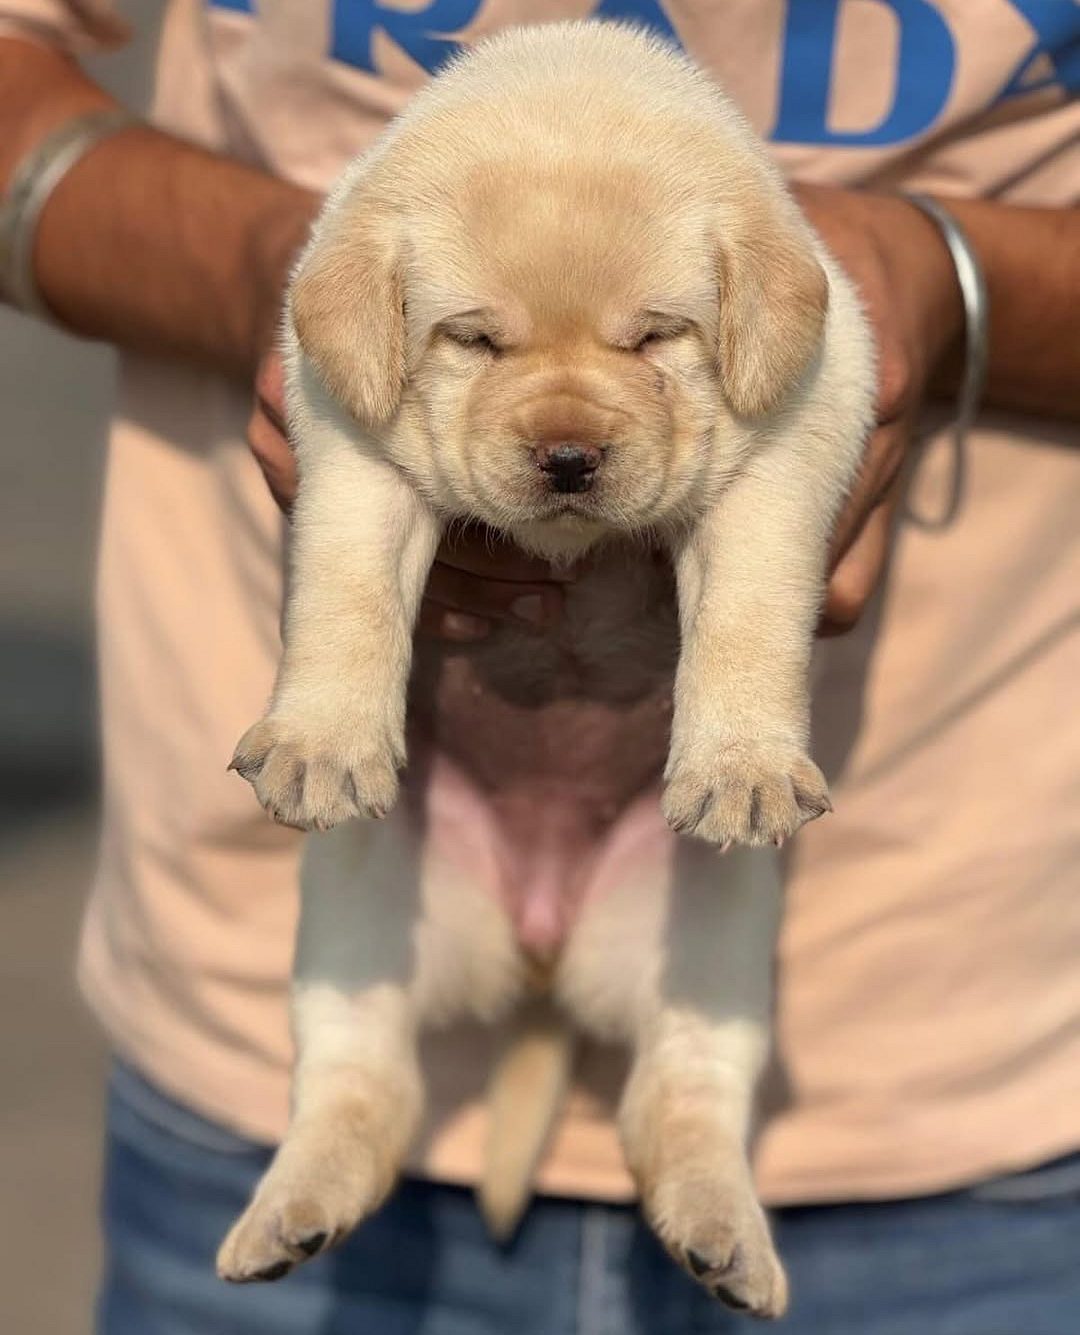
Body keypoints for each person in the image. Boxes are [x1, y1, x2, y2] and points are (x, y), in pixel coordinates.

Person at [1, 2, 1077, 1332]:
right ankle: (345, 1102)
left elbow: (791, 448)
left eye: (648, 339)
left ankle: (696, 1126)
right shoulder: (365, 269)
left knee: (720, 883)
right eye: (481, 338)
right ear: (371, 300)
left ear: (755, 294)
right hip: (235, 998)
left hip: (958, 1073)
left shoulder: (762, 260)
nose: (568, 432)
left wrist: (951, 279)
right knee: (358, 857)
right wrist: (266, 283)